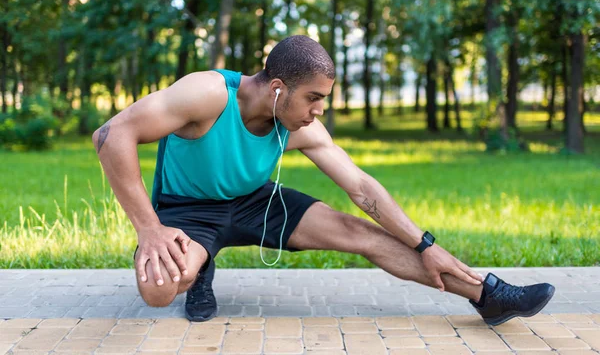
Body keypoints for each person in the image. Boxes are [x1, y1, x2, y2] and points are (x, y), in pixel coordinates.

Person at [93, 35, 554, 326]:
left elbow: (361, 188)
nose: (319, 111)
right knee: (158, 292)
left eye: (324, 99)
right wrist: (149, 230)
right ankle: (201, 270)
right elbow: (111, 135)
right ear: (277, 89)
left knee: (363, 234)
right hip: (190, 209)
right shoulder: (208, 94)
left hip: (256, 201)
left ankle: (488, 296)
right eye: (313, 98)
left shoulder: (300, 126)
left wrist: (425, 243)